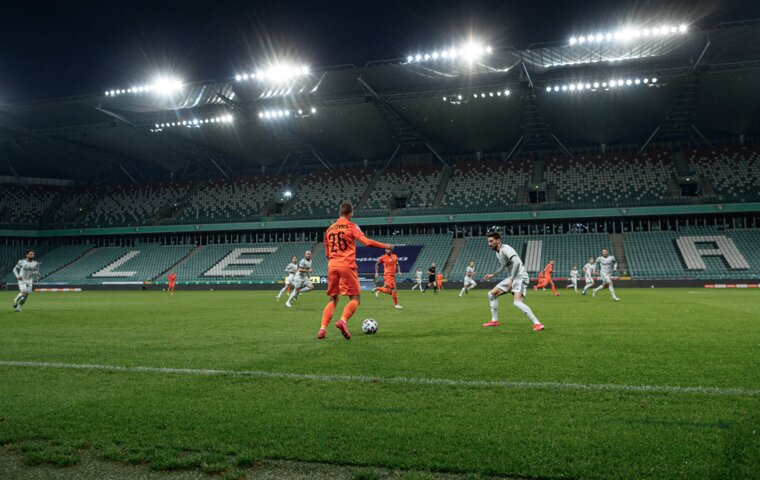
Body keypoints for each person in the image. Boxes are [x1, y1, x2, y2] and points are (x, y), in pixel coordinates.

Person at [318, 203, 390, 340]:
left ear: (340, 213)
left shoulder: (329, 230)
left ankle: (322, 329)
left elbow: (327, 254)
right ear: (350, 214)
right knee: (355, 298)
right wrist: (385, 246)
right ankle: (343, 321)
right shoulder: (351, 226)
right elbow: (367, 242)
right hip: (346, 265)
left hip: (332, 265)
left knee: (333, 298)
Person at [482, 232, 544, 331]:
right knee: (492, 294)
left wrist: (511, 278)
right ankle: (494, 321)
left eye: (491, 241)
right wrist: (494, 274)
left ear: (498, 241)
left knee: (517, 302)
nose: (489, 243)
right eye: (488, 241)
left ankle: (538, 324)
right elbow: (504, 265)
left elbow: (517, 263)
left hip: (520, 277)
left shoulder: (506, 249)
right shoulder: (498, 252)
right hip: (513, 277)